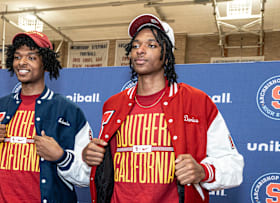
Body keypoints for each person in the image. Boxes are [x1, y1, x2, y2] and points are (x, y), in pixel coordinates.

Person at [82, 14, 244, 203]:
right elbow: (102, 168)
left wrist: (203, 171)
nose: (140, 51)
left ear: (167, 55)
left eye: (151, 45)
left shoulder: (197, 101)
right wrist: (89, 156)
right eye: (135, 45)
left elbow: (233, 166)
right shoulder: (113, 104)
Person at [0, 31, 92, 203]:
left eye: (31, 57)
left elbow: (87, 176)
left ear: (46, 63)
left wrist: (62, 157)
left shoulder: (69, 112)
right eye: (17, 56)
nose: (22, 62)